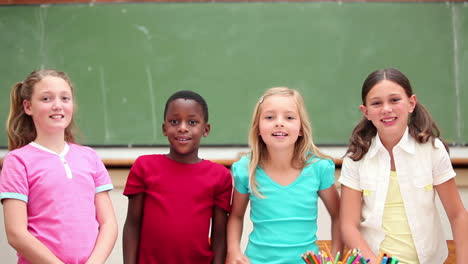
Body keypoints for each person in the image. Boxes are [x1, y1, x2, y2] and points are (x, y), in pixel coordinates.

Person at [339, 68, 468, 264]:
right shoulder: (356, 158)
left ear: (411, 103)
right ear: (365, 112)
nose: (386, 109)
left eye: (394, 100)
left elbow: (458, 215)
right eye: (376, 103)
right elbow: (348, 225)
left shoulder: (432, 150)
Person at [0, 69, 118, 264]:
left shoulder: (89, 157)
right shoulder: (17, 161)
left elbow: (108, 223)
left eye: (65, 98)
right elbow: (16, 233)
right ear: (28, 107)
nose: (57, 106)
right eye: (46, 99)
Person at [226, 87, 342, 264]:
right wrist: (233, 251)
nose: (279, 123)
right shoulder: (246, 169)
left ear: (301, 128)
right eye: (269, 117)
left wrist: (335, 255)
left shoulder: (318, 168)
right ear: (258, 128)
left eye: (289, 117)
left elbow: (338, 215)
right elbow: (236, 216)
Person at [122, 90, 232, 264]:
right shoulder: (144, 167)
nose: (182, 127)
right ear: (164, 128)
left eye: (192, 122)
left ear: (206, 129)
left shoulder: (220, 176)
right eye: (174, 121)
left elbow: (219, 235)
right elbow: (132, 225)